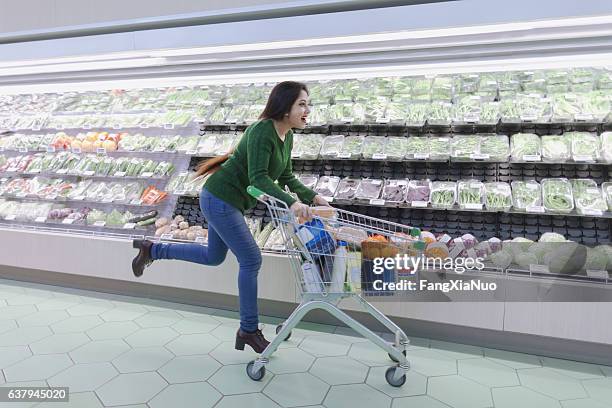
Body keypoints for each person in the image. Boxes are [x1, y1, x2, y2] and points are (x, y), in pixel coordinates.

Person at [131, 81, 331, 353]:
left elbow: (284, 176)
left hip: (228, 202)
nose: (308, 110)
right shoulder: (263, 131)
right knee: (251, 259)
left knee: (214, 257)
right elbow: (258, 178)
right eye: (302, 104)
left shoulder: (288, 135)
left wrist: (311, 196)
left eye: (308, 104)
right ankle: (248, 329)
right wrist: (291, 203)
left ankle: (153, 249)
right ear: (285, 108)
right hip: (220, 199)